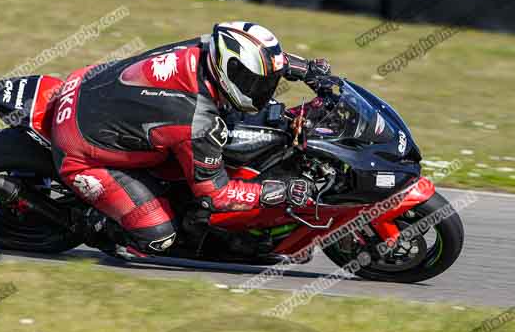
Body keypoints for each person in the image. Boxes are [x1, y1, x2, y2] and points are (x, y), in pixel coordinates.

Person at [50, 21, 332, 255]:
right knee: (158, 237)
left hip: (89, 85)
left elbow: (263, 61)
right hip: (80, 149)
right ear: (230, 70)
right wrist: (280, 192)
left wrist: (305, 69)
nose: (265, 90)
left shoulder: (207, 48)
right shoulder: (197, 121)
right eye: (257, 83)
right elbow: (217, 196)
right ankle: (90, 222)